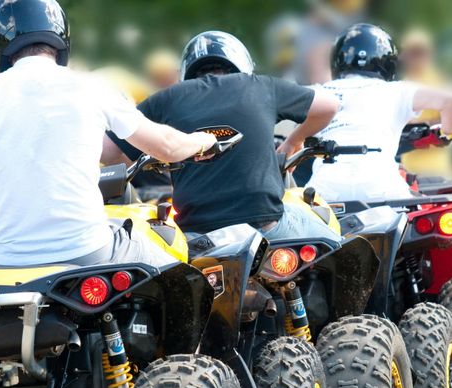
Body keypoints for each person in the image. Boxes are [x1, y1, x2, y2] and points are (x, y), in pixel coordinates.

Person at [0, 0, 216, 270]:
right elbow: (166, 146)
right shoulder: (91, 86)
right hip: (86, 251)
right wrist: (203, 141)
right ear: (60, 36)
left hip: (4, 263)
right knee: (179, 271)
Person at [102, 31, 339, 240]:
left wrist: (148, 160)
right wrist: (294, 141)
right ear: (241, 62)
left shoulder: (167, 97)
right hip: (267, 225)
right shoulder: (261, 85)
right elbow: (328, 106)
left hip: (197, 234)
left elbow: (108, 151)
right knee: (333, 242)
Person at [304, 23, 452, 202]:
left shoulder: (319, 91)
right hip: (382, 188)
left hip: (325, 191)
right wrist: (446, 134)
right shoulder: (397, 90)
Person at [399, 28, 452, 178]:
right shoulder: (403, 84)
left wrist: (422, 126)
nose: (411, 58)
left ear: (427, 54)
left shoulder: (441, 82)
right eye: (409, 52)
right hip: (408, 168)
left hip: (435, 168)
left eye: (417, 53)